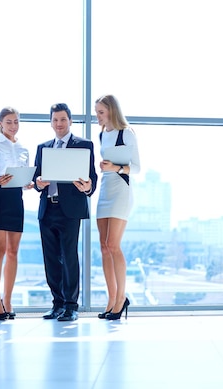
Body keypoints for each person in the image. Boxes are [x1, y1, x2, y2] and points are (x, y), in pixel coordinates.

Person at [33, 103, 98, 322]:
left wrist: (87, 187)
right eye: (55, 120)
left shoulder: (84, 145)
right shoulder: (43, 147)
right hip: (47, 207)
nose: (59, 124)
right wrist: (38, 183)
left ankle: (71, 306)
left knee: (69, 257)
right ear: (51, 122)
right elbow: (36, 179)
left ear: (70, 120)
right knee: (50, 259)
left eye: (62, 119)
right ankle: (57, 304)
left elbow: (92, 178)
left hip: (70, 210)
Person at [0, 107, 33, 320]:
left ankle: (8, 299)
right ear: (0, 123)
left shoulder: (23, 148)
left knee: (13, 251)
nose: (13, 126)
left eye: (16, 122)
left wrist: (27, 184)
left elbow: (21, 176)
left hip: (15, 199)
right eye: (9, 122)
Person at [94, 94, 140, 320]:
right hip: (105, 189)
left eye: (101, 112)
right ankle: (112, 299)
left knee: (113, 244)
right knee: (103, 246)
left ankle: (122, 298)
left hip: (121, 189)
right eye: (97, 112)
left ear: (112, 111)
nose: (98, 116)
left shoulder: (127, 133)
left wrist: (115, 167)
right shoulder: (102, 134)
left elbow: (137, 168)